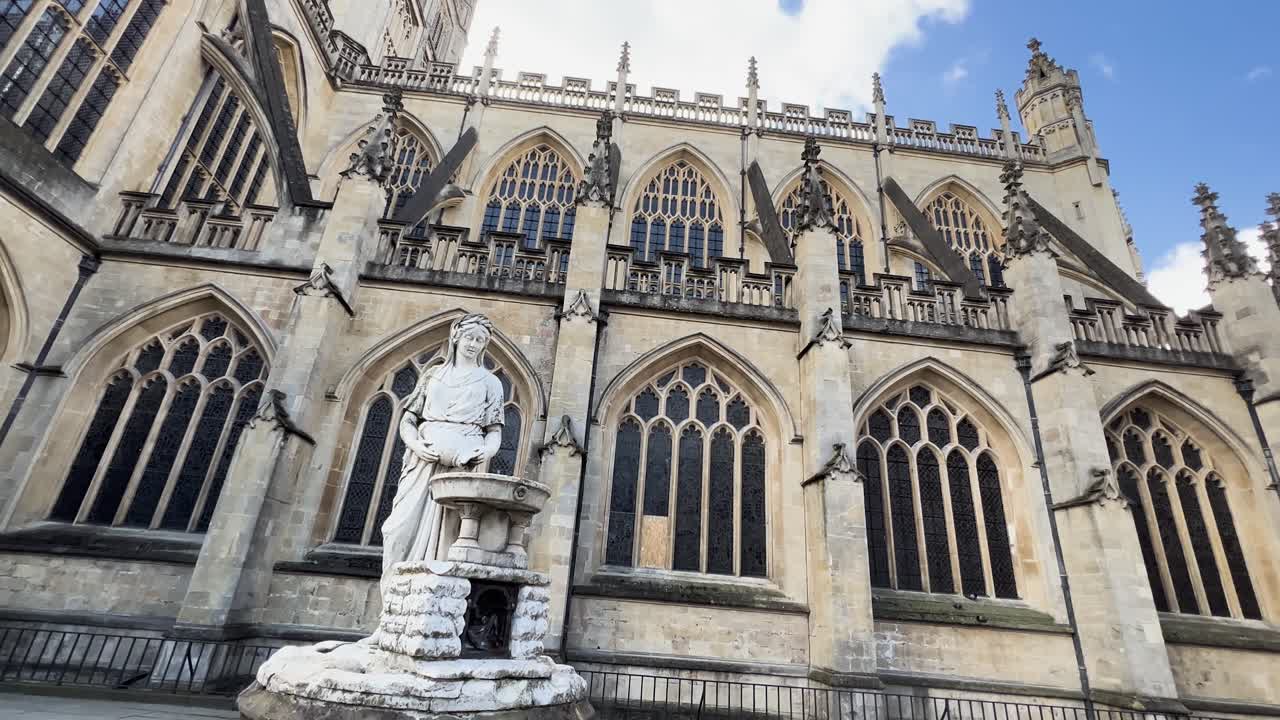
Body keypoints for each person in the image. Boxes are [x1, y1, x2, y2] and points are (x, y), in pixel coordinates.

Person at [379, 313, 505, 579]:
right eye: (469, 337)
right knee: (397, 529)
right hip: (422, 460)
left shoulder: (491, 383)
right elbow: (408, 420)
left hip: (462, 465)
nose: (473, 344)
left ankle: (435, 599)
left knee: (448, 538)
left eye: (480, 340)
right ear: (456, 336)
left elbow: (494, 432)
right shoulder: (433, 375)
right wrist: (416, 445)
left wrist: (483, 451)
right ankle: (394, 597)